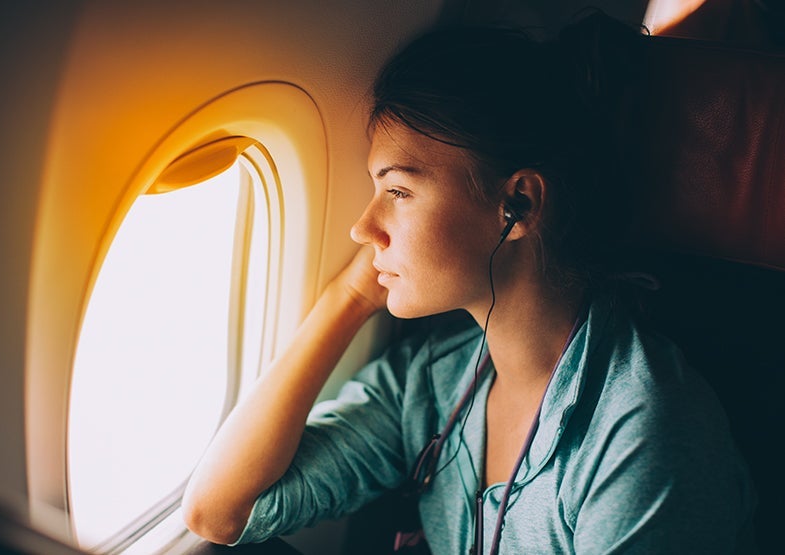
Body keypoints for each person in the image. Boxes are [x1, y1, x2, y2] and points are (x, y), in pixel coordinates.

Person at [182, 11, 756, 554]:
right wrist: (350, 297)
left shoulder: (642, 433)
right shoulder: (439, 379)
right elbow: (221, 512)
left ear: (519, 203)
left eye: (399, 192)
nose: (364, 227)